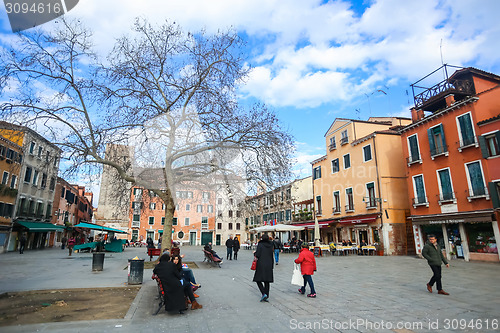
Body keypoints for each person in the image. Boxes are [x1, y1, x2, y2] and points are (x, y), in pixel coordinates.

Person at [253, 233, 274, 302]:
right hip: (269, 263)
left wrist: (254, 253)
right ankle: (266, 295)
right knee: (267, 281)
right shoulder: (271, 244)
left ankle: (263, 293)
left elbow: (258, 254)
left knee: (258, 279)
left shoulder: (260, 244)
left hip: (261, 263)